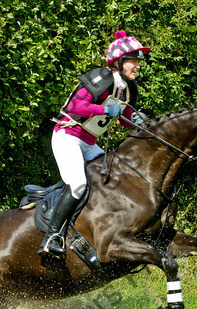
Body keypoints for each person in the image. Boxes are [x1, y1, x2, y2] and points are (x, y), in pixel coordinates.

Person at [38, 30, 151, 257]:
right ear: (118, 62)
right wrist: (103, 109)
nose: (138, 66)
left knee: (114, 179)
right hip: (68, 137)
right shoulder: (102, 77)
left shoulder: (128, 87)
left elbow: (123, 117)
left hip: (89, 143)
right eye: (133, 61)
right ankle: (51, 237)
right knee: (78, 184)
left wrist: (136, 120)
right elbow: (74, 108)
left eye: (139, 62)